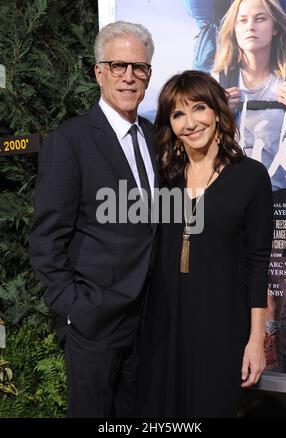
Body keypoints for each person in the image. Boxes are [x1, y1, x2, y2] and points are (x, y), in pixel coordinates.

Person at [29, 21, 158, 418]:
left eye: (139, 67)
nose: (129, 76)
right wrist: (73, 307)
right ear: (98, 71)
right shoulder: (70, 141)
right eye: (118, 65)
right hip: (94, 321)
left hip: (149, 320)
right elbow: (46, 238)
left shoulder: (155, 137)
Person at [136, 70, 273, 418]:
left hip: (221, 328)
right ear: (169, 124)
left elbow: (258, 265)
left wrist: (255, 340)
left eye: (199, 108)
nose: (191, 122)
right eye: (178, 114)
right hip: (163, 329)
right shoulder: (163, 179)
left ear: (216, 111)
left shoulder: (251, 177)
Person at [213, 0, 286, 369]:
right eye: (243, 19)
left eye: (260, 18)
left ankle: (270, 353)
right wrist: (215, 110)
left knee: (276, 287)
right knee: (238, 283)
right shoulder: (217, 84)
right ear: (233, 29)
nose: (251, 26)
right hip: (233, 204)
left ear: (276, 27)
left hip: (283, 202)